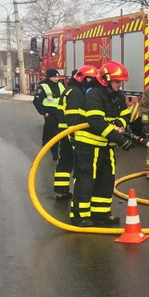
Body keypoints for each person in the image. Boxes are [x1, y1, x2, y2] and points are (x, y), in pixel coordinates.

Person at [70, 61, 133, 227]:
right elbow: (96, 122)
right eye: (117, 81)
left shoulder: (118, 96)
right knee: (86, 180)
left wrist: (118, 125)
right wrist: (120, 139)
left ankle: (101, 214)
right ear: (106, 79)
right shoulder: (94, 95)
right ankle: (79, 215)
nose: (120, 85)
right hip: (88, 146)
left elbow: (126, 116)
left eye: (121, 82)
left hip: (106, 146)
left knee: (106, 180)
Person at [54, 65, 98, 200]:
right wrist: (74, 135)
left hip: (64, 131)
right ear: (83, 78)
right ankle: (79, 194)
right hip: (70, 131)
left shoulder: (70, 89)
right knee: (77, 162)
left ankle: (61, 190)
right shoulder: (76, 93)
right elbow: (73, 116)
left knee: (65, 160)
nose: (92, 82)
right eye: (90, 79)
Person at [33, 69, 66, 160]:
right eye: (54, 77)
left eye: (57, 77)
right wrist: (44, 113)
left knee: (51, 129)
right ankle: (55, 153)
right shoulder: (43, 86)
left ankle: (46, 143)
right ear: (49, 77)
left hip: (60, 112)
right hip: (50, 113)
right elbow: (37, 101)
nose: (56, 79)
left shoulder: (60, 85)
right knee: (53, 132)